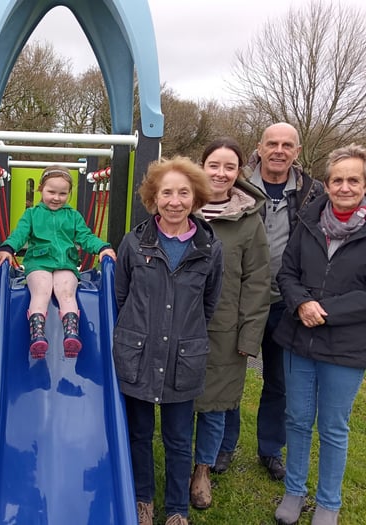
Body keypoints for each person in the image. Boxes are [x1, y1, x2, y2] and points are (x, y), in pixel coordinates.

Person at [113, 156, 223, 525]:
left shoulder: (209, 248)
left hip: (183, 357)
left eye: (183, 193)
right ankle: (143, 499)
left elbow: (208, 303)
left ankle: (176, 508)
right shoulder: (134, 242)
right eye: (166, 193)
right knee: (139, 434)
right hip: (138, 356)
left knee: (178, 438)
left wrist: (187, 334)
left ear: (196, 198)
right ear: (153, 197)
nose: (174, 201)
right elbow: (120, 297)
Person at [273, 144, 366, 525]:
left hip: (346, 347)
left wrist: (324, 311)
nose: (345, 187)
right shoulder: (308, 221)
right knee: (296, 418)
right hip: (299, 339)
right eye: (338, 180)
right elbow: (286, 273)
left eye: (354, 180)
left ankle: (328, 502)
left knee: (333, 426)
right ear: (327, 184)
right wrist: (300, 304)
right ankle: (295, 491)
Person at [228, 122, 324, 481]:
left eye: (287, 145)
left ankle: (270, 449)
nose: (279, 150)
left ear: (296, 152)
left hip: (287, 301)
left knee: (278, 381)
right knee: (230, 374)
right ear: (260, 147)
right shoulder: (237, 183)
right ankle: (223, 445)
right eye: (272, 143)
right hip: (240, 298)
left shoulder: (312, 192)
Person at [190, 138, 271, 509]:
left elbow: (257, 281)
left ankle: (202, 470)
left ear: (239, 172)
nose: (221, 174)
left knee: (215, 403)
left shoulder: (249, 222)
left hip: (223, 327)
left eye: (229, 167)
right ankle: (177, 463)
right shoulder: (178, 206)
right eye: (214, 165)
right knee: (178, 401)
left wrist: (249, 334)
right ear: (201, 167)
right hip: (177, 324)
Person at [0, 165, 116, 358]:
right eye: (51, 192)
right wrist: (8, 248)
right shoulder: (32, 215)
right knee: (41, 291)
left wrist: (101, 247)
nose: (56, 198)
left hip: (65, 264)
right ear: (41, 188)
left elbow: (85, 237)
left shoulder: (73, 216)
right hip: (38, 263)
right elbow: (19, 234)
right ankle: (38, 335)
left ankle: (71, 334)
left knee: (67, 293)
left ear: (69, 193)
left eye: (63, 193)